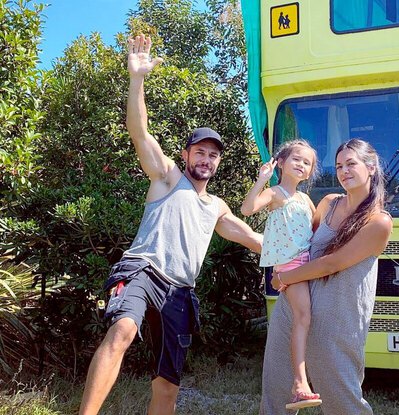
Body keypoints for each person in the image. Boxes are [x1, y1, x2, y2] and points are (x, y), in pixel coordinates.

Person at [78, 34, 263, 415]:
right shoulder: (166, 176)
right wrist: (137, 79)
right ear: (186, 154)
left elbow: (254, 239)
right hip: (143, 270)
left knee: (167, 386)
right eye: (200, 152)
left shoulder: (216, 207)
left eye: (213, 156)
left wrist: (314, 247)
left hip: (180, 291)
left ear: (217, 163)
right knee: (124, 330)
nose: (207, 160)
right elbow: (139, 132)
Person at [260, 138, 393, 415]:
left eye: (351, 164)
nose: (343, 171)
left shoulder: (379, 221)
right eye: (339, 166)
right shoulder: (329, 203)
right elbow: (301, 245)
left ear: (370, 167)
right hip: (295, 307)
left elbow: (332, 263)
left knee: (341, 399)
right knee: (275, 391)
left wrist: (285, 277)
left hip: (338, 319)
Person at [241, 140, 321, 410]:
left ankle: (303, 379)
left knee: (305, 318)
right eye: (296, 159)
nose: (301, 164)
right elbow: (247, 208)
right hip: (290, 265)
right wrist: (261, 180)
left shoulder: (306, 199)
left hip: (306, 263)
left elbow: (316, 229)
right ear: (282, 163)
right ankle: (300, 384)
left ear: (310, 172)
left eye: (307, 162)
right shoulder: (275, 193)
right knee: (303, 317)